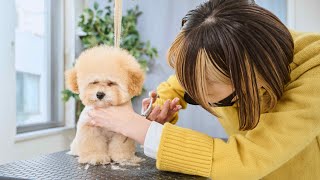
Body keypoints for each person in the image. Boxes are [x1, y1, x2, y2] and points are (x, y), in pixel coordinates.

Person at [88, 0, 320, 179]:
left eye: (203, 93)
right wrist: (160, 106)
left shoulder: (314, 73)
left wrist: (139, 128)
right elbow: (175, 85)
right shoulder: (221, 55)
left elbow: (247, 160)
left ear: (247, 82)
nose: (190, 90)